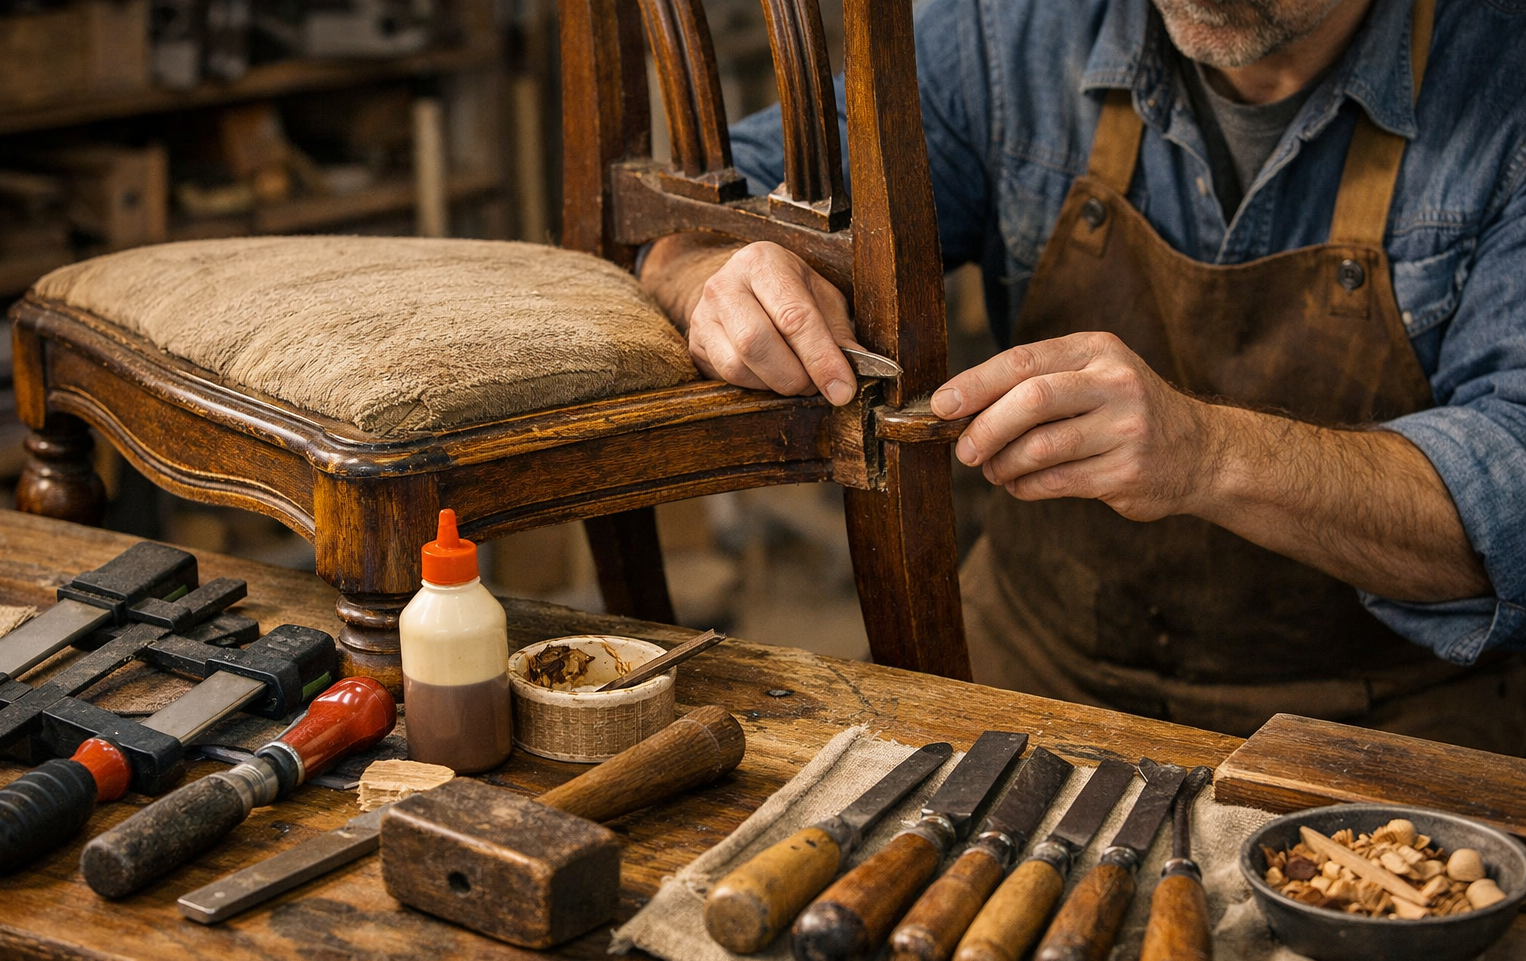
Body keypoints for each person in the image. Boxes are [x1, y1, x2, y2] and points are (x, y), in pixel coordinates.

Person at [641, 0, 1526, 755]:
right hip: (1031, 671)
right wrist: (714, 280)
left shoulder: (1500, 78)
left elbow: (1513, 488)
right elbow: (690, 220)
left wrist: (1210, 454)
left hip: (1384, 736)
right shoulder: (1013, 29)